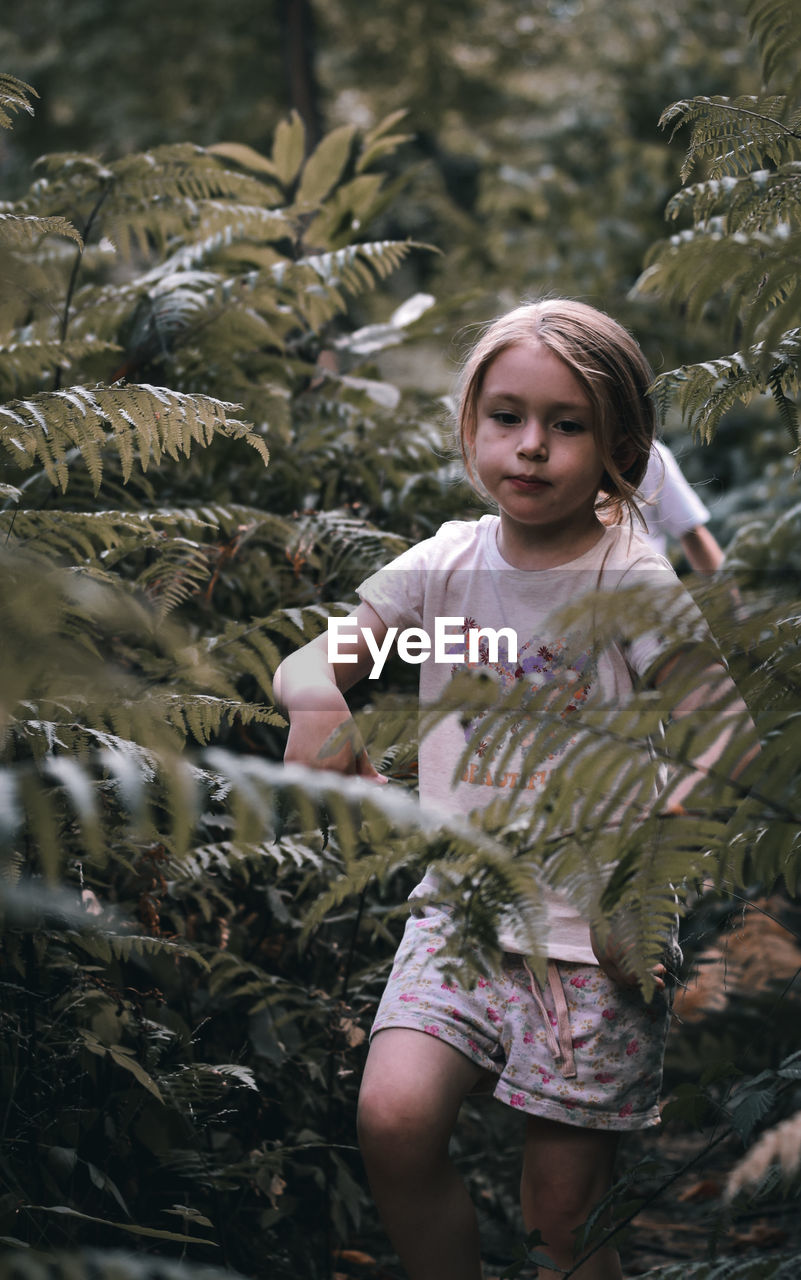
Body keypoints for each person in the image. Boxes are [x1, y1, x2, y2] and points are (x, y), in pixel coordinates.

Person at [274, 299, 757, 1280]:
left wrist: (653, 855)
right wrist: (320, 696)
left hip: (594, 935)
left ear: (619, 441)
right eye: (507, 417)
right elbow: (311, 660)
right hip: (460, 912)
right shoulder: (447, 566)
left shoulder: (630, 577)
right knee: (394, 1119)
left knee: (564, 1212)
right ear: (471, 424)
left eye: (566, 423)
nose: (531, 447)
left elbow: (727, 734)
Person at [635, 439, 724, 572]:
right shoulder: (647, 452)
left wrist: (724, 588)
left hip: (653, 585)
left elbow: (691, 531)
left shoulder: (648, 454)